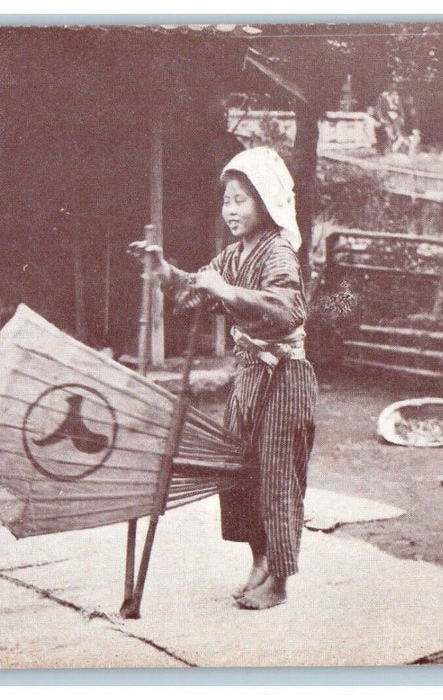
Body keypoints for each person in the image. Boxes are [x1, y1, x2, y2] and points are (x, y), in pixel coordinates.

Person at [128, 147, 317, 610]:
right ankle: (260, 559)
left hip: (285, 378)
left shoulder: (279, 254)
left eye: (241, 201)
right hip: (249, 376)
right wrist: (163, 272)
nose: (230, 210)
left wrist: (228, 292)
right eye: (227, 201)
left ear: (266, 202)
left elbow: (288, 308)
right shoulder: (235, 254)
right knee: (238, 472)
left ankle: (280, 578)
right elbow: (197, 291)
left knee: (276, 474)